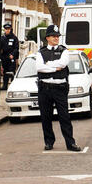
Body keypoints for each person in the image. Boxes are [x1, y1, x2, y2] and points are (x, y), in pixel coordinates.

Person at [36, 24, 81, 152]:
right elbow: (39, 67)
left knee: (64, 117)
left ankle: (70, 143)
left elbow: (63, 64)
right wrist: (54, 67)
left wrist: (48, 65)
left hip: (59, 88)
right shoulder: (41, 52)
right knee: (46, 117)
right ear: (47, 38)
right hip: (44, 88)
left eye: (57, 36)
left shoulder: (64, 51)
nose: (56, 38)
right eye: (53, 36)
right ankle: (49, 142)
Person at [0, 23, 19, 90]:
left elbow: (16, 48)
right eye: (6, 29)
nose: (7, 30)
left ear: (10, 29)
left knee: (12, 72)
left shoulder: (14, 38)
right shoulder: (2, 38)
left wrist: (13, 55)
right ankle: (5, 86)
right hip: (4, 57)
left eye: (8, 29)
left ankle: (13, 86)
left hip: (11, 57)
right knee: (5, 72)